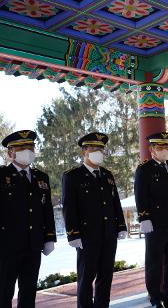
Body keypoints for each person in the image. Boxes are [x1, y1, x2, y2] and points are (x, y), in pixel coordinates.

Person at [62, 132, 127, 308]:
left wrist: (120, 225)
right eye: (94, 148)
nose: (98, 152)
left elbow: (115, 202)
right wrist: (73, 234)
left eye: (101, 149)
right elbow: (69, 207)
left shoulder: (107, 175)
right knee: (86, 278)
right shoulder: (72, 176)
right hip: (86, 236)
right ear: (84, 152)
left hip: (108, 234)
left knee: (106, 276)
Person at [0, 130, 56, 308]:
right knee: (3, 293)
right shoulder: (2, 176)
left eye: (31, 146)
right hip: (6, 247)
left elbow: (46, 209)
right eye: (22, 147)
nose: (28, 150)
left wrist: (49, 237)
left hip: (33, 245)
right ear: (10, 153)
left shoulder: (41, 177)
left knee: (29, 293)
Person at [134, 132, 168, 308]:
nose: (164, 150)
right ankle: (155, 298)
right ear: (152, 149)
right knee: (154, 262)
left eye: (166, 147)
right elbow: (140, 194)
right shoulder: (144, 169)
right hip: (155, 223)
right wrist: (144, 217)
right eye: (160, 147)